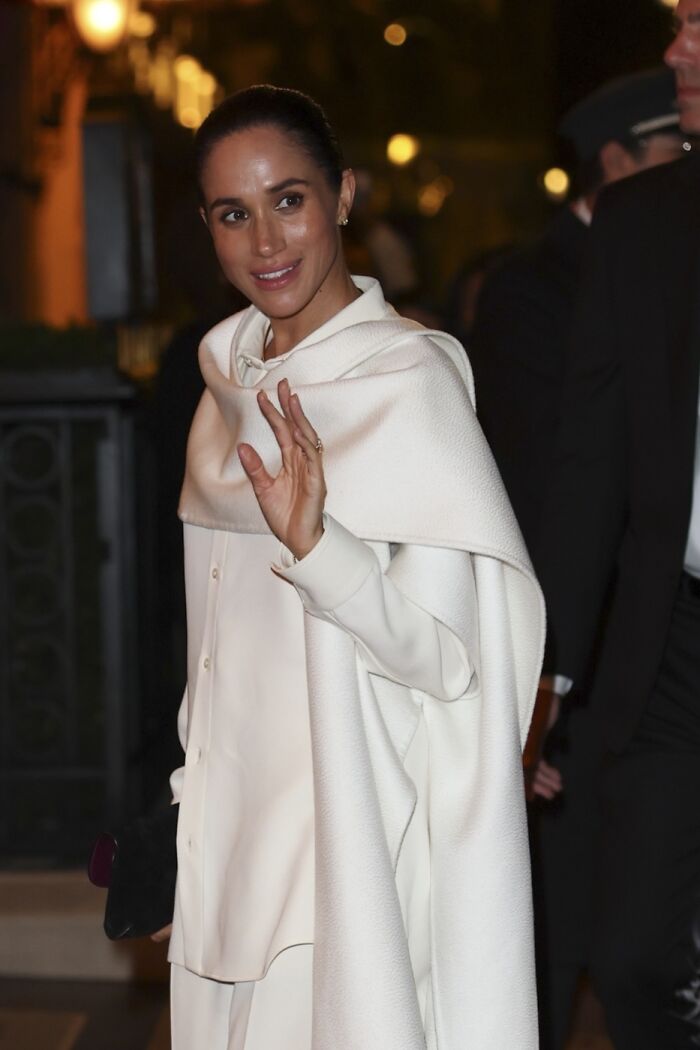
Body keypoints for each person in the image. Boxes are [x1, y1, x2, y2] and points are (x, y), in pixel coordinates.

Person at [160, 85, 544, 1050]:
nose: (266, 241)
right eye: (233, 214)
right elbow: (212, 657)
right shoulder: (225, 387)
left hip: (343, 846)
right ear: (207, 228)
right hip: (228, 844)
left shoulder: (406, 381)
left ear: (342, 196)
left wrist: (320, 551)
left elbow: (447, 664)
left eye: (288, 200)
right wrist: (185, 827)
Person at [468, 67, 684, 1050]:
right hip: (602, 649)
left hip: (641, 645)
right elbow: (558, 480)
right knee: (583, 931)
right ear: (618, 158)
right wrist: (542, 678)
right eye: (673, 147)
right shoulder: (533, 289)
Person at [535, 3, 700, 1046]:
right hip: (673, 644)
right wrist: (546, 675)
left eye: (698, 21)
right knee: (634, 953)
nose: (676, 48)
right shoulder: (640, 222)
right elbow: (587, 464)